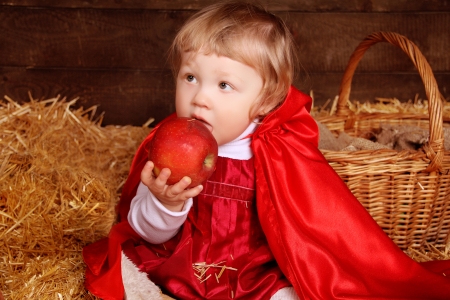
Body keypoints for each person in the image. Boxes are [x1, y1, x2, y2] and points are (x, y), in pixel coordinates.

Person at [83, 1, 450, 299]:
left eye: (224, 84)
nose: (200, 98)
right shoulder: (167, 144)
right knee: (125, 273)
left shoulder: (278, 151)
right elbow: (147, 232)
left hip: (253, 272)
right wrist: (166, 202)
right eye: (190, 77)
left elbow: (317, 224)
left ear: (267, 100)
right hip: (182, 263)